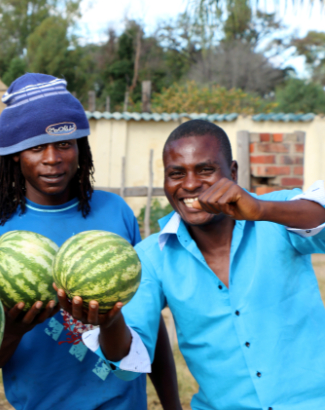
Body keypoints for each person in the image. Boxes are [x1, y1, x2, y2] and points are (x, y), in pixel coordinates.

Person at [59, 119, 325, 410]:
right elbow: (127, 363)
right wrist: (109, 323)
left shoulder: (276, 215)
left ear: (232, 172)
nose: (189, 184)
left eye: (205, 170)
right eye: (176, 173)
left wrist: (260, 208)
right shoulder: (151, 257)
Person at [0, 73, 181, 410]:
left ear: (80, 146)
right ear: (15, 154)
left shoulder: (115, 212)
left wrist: (172, 405)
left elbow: (147, 316)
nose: (52, 158)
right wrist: (15, 330)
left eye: (64, 143)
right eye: (36, 147)